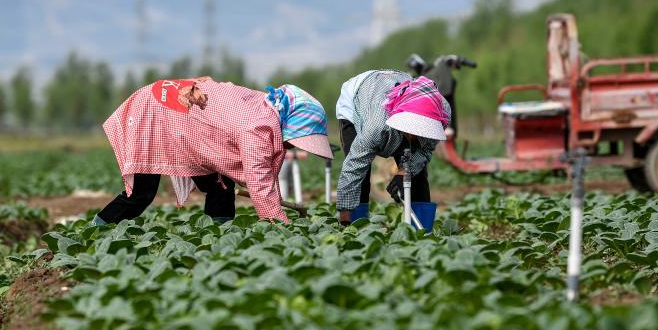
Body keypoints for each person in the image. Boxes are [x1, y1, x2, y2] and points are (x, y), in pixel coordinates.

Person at [98, 77, 332, 224]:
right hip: (154, 112)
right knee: (140, 194)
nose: (293, 145)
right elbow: (259, 180)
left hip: (194, 125)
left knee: (221, 185)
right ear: (290, 125)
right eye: (297, 140)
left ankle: (216, 237)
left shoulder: (270, 107)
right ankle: (96, 232)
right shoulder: (256, 127)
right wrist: (278, 222)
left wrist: (274, 200)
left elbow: (266, 175)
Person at [334, 70, 450, 225]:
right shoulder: (375, 127)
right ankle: (355, 227)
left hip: (393, 84)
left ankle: (422, 230)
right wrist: (345, 214)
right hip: (358, 96)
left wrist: (404, 172)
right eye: (413, 129)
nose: (417, 135)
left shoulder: (442, 111)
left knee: (418, 175)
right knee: (362, 174)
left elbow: (425, 149)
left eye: (423, 129)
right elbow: (354, 167)